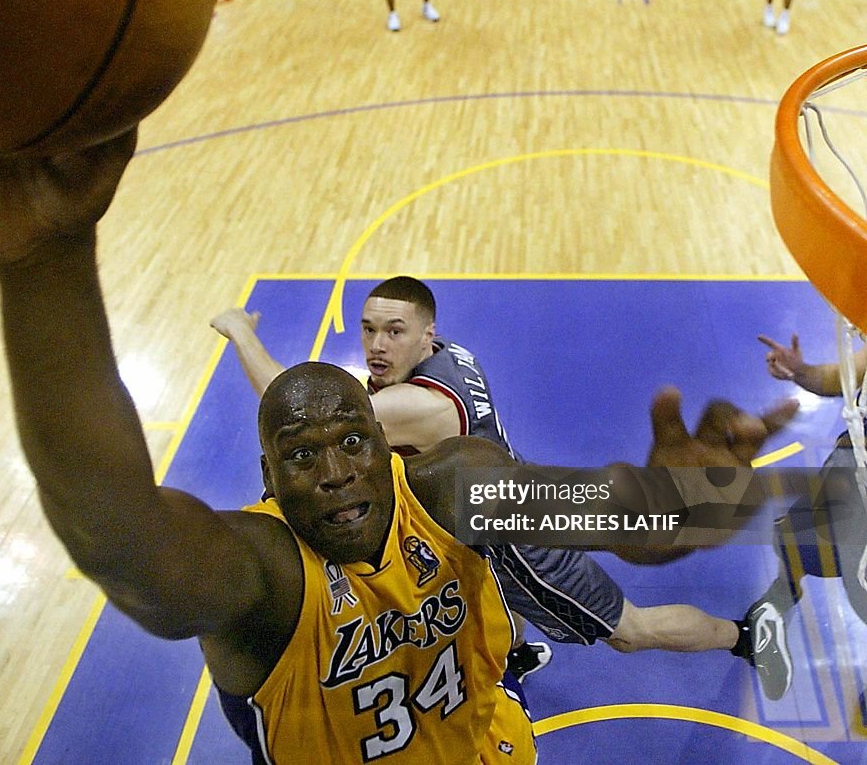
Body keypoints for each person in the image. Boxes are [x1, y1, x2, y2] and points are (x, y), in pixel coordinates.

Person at [0, 109, 796, 761]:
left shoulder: (451, 486)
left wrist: (682, 498)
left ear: (387, 442)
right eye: (303, 456)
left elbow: (629, 518)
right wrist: (41, 258)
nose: (340, 470)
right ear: (268, 477)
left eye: (353, 441)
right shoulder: (257, 575)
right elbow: (117, 536)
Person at [211, 277, 796, 700]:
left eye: (394, 331)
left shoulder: (413, 406)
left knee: (630, 631)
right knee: (458, 577)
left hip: (511, 533)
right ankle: (510, 646)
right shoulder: (452, 355)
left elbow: (292, 404)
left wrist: (240, 333)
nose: (376, 346)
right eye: (368, 330)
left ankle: (744, 634)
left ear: (425, 335)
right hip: (497, 492)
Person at [745, 333, 867, 699]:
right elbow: (840, 378)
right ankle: (777, 606)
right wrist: (800, 372)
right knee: (795, 539)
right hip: (856, 460)